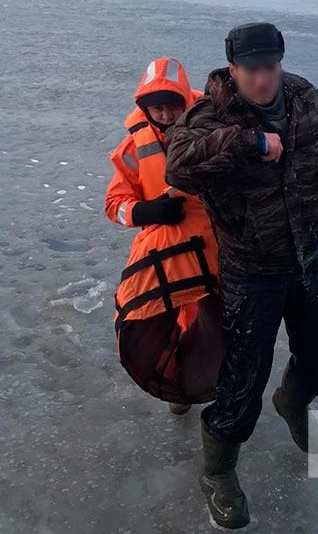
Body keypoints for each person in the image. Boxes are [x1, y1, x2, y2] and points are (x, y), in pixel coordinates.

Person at [166, 23, 318, 528]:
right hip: (250, 269)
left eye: (270, 67)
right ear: (233, 70)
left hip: (306, 258)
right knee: (241, 382)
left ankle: (292, 401)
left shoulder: (306, 100)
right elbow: (177, 164)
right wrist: (248, 142)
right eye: (252, 70)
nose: (263, 80)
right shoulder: (211, 114)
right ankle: (218, 472)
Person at [105, 56, 224, 416]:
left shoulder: (213, 127)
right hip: (167, 253)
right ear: (145, 108)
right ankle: (179, 386)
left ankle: (211, 384)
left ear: (185, 101)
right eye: (156, 108)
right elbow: (115, 203)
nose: (165, 115)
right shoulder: (135, 147)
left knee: (216, 325)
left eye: (172, 106)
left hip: (217, 250)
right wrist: (146, 211)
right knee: (166, 321)